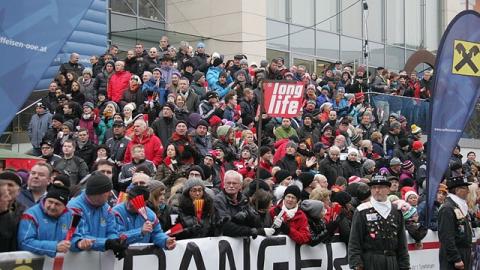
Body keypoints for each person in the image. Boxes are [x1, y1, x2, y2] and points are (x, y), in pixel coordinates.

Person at [348, 174, 410, 270]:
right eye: (374, 187)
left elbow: (402, 243)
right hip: (371, 262)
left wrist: (405, 266)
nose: (377, 190)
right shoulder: (362, 211)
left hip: (393, 262)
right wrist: (356, 264)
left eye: (381, 187)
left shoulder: (396, 211)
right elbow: (354, 241)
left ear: (388, 190)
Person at [68, 174, 126, 259]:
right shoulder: (74, 208)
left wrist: (115, 243)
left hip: (100, 261)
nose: (110, 194)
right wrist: (106, 243)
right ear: (98, 193)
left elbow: (111, 231)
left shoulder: (106, 208)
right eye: (108, 191)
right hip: (78, 261)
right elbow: (80, 237)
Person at [113, 185, 176, 250]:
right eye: (129, 199)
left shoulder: (150, 215)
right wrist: (140, 232)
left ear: (144, 202)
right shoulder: (116, 212)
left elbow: (156, 233)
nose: (131, 203)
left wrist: (165, 240)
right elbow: (116, 238)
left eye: (135, 201)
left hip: (142, 257)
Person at [18, 184, 73, 257]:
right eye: (50, 202)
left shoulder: (70, 215)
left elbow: (75, 235)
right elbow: (24, 242)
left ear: (64, 207)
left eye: (57, 204)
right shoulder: (31, 215)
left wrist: (79, 243)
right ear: (45, 200)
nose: (52, 207)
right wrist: (54, 247)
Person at [438, 176, 473, 270]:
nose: (468, 191)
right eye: (465, 188)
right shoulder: (447, 208)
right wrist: (456, 258)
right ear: (457, 190)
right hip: (454, 255)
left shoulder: (460, 206)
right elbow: (446, 236)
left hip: (465, 252)